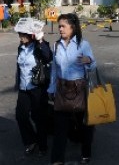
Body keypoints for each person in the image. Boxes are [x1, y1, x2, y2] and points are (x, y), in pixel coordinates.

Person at [48, 13, 97, 165]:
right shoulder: (56, 45)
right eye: (59, 26)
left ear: (73, 27)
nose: (60, 29)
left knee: (85, 124)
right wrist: (51, 88)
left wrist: (89, 60)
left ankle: (86, 152)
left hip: (80, 89)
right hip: (62, 89)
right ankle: (57, 159)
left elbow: (93, 65)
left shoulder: (83, 44)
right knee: (60, 127)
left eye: (63, 26)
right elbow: (55, 70)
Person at [15, 27, 52, 157]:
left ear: (30, 34)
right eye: (19, 34)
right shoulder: (21, 47)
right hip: (23, 87)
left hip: (37, 87)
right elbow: (19, 67)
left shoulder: (40, 46)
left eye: (23, 34)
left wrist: (41, 40)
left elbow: (48, 57)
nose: (20, 36)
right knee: (21, 116)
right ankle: (30, 141)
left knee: (39, 117)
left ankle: (43, 146)